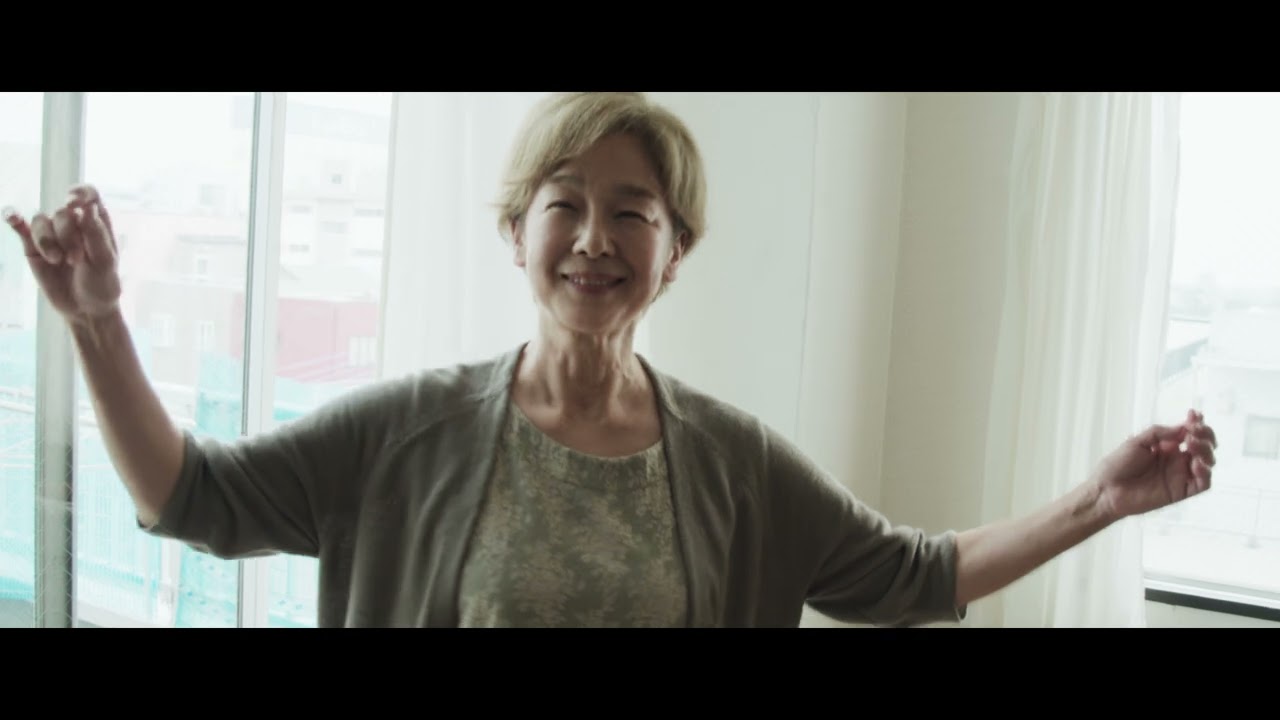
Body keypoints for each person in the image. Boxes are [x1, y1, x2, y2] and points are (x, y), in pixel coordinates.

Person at [3, 92, 1217, 628]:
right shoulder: (408, 434)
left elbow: (910, 573)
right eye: (564, 204)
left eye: (631, 211)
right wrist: (99, 324)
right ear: (514, 232)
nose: (594, 238)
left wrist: (1097, 503)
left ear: (674, 252)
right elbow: (188, 494)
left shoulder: (733, 465)